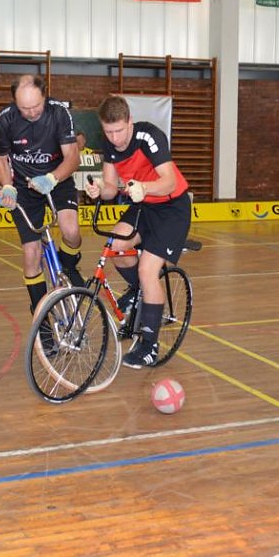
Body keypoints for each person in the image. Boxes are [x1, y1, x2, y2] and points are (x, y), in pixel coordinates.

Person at [84, 95, 191, 369]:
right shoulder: (109, 144)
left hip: (171, 208)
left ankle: (148, 346)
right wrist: (99, 190)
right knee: (115, 248)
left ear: (129, 121)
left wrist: (144, 187)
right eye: (108, 132)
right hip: (144, 205)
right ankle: (138, 290)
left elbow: (168, 181)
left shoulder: (149, 136)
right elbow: (111, 186)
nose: (114, 138)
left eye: (119, 130)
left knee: (147, 270)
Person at [0, 74, 84, 324]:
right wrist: (8, 186)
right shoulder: (4, 121)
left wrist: (52, 179)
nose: (31, 113)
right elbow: (0, 159)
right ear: (14, 102)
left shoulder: (59, 114)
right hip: (23, 187)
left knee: (71, 230)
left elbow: (73, 157)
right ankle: (42, 318)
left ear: (45, 96)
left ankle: (68, 264)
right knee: (31, 254)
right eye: (24, 108)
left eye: (36, 106)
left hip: (57, 179)